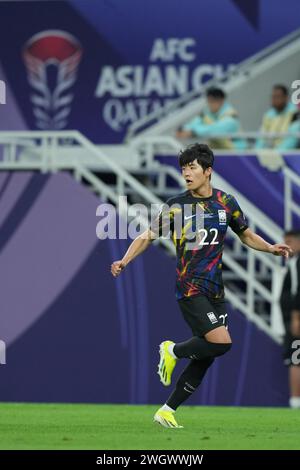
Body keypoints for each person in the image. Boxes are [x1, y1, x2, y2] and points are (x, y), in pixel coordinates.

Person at [111, 143, 292, 428]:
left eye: (192, 167)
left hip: (216, 290)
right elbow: (147, 235)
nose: (186, 173)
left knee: (208, 355)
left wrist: (270, 248)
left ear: (208, 171)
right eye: (183, 168)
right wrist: (124, 260)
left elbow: (244, 234)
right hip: (190, 288)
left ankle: (167, 410)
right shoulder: (176, 206)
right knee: (222, 343)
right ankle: (172, 351)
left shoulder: (226, 202)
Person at [176, 87, 246, 150]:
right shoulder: (207, 112)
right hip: (219, 151)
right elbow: (194, 123)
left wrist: (193, 132)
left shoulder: (231, 115)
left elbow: (215, 130)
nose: (209, 104)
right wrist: (184, 130)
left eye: (212, 101)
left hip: (238, 153)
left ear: (221, 101)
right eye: (208, 101)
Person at [280, 229, 300, 409]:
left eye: (289, 242)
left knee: (296, 359)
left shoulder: (296, 264)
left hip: (296, 319)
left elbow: (297, 292)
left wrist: (295, 318)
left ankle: (295, 401)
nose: (287, 246)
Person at [256, 84, 300, 150]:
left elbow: (291, 140)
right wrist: (257, 152)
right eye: (273, 97)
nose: (274, 100)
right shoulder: (268, 114)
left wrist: (275, 153)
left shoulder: (295, 113)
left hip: (288, 155)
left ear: (285, 98)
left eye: (278, 97)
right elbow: (261, 138)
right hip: (268, 153)